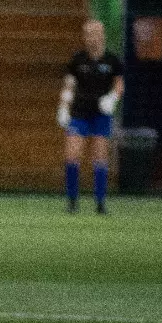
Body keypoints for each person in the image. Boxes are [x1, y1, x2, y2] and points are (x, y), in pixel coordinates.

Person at [57, 19, 125, 214]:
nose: (90, 38)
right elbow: (69, 84)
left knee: (100, 156)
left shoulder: (112, 60)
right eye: (87, 34)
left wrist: (112, 98)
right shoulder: (78, 60)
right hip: (79, 112)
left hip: (101, 114)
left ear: (102, 36)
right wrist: (63, 107)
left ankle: (100, 203)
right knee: (72, 155)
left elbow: (119, 85)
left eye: (94, 34)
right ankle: (72, 202)